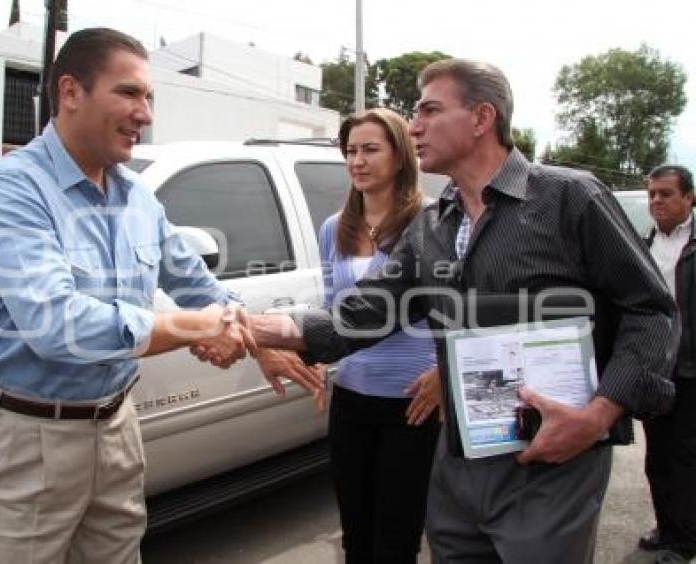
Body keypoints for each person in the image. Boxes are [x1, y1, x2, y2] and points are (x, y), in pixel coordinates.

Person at [231, 58, 677, 563]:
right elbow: (360, 314)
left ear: (482, 118)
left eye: (429, 110)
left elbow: (651, 312)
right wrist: (252, 326)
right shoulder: (433, 226)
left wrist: (598, 415)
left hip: (552, 457)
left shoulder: (569, 198)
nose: (414, 126)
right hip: (460, 462)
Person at [0, 28, 316, 564]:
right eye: (129, 93)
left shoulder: (137, 198)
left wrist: (254, 337)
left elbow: (198, 285)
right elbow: (58, 325)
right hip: (31, 439)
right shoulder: (14, 188)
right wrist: (197, 328)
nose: (145, 112)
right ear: (71, 92)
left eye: (149, 97)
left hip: (118, 429)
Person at [318, 107, 440, 563]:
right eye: (350, 150)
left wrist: (444, 371)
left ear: (400, 154)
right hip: (350, 398)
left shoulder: (431, 222)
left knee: (396, 539)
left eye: (370, 149)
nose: (358, 160)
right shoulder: (335, 228)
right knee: (356, 537)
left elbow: (455, 309)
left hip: (412, 402)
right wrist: (317, 361)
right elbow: (335, 308)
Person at [640, 164, 696, 564]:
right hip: (654, 369)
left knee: (686, 457)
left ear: (689, 198)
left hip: (690, 369)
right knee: (657, 456)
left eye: (666, 194)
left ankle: (684, 541)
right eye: (652, 194)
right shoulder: (643, 244)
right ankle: (667, 528)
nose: (657, 201)